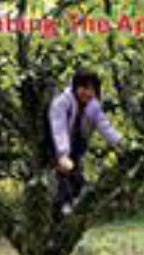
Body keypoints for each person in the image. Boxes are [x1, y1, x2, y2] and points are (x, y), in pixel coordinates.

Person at [48, 68, 123, 217]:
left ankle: (75, 206)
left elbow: (105, 126)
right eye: (84, 88)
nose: (87, 93)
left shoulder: (93, 106)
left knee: (77, 178)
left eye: (92, 89)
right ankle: (63, 206)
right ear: (76, 87)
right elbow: (59, 129)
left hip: (77, 144)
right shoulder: (62, 102)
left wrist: (120, 143)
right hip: (56, 143)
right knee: (63, 174)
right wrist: (62, 154)